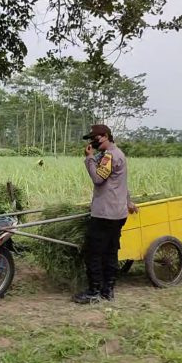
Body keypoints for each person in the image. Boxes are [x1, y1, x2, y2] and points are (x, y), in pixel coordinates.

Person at [73, 124, 138, 304]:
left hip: (105, 214)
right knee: (111, 252)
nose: (92, 142)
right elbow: (122, 183)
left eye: (94, 139)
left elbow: (98, 179)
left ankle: (94, 291)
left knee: (93, 252)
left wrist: (89, 159)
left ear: (104, 136)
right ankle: (108, 290)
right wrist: (128, 202)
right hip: (118, 213)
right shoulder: (119, 154)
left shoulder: (109, 156)